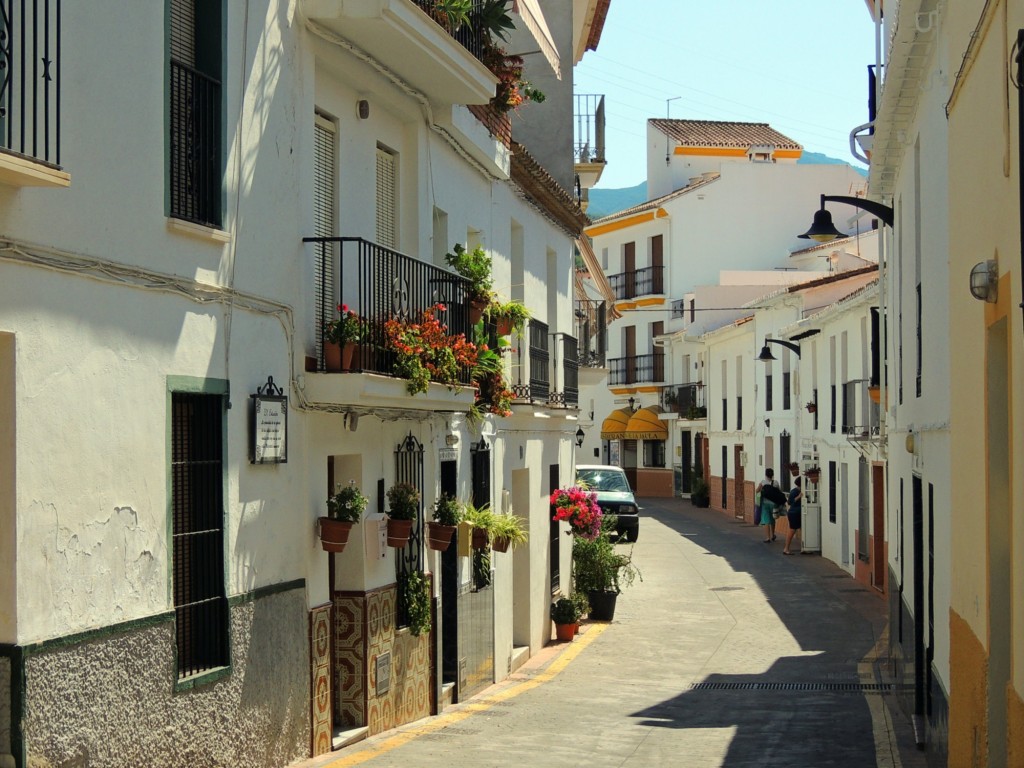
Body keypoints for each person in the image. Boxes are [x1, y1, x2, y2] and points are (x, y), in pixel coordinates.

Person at [755, 468, 782, 543]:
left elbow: (757, 491)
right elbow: (779, 492)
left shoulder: (763, 482)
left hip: (765, 504)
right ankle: (773, 535)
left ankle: (767, 537)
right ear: (772, 475)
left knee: (766, 520)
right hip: (774, 504)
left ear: (766, 474)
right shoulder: (775, 483)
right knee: (772, 519)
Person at [783, 477, 803, 555]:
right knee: (792, 530)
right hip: (794, 513)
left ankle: (804, 547)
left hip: (798, 513)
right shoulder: (794, 491)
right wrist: (798, 497)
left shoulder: (800, 491)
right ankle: (786, 548)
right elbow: (790, 502)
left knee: (801, 530)